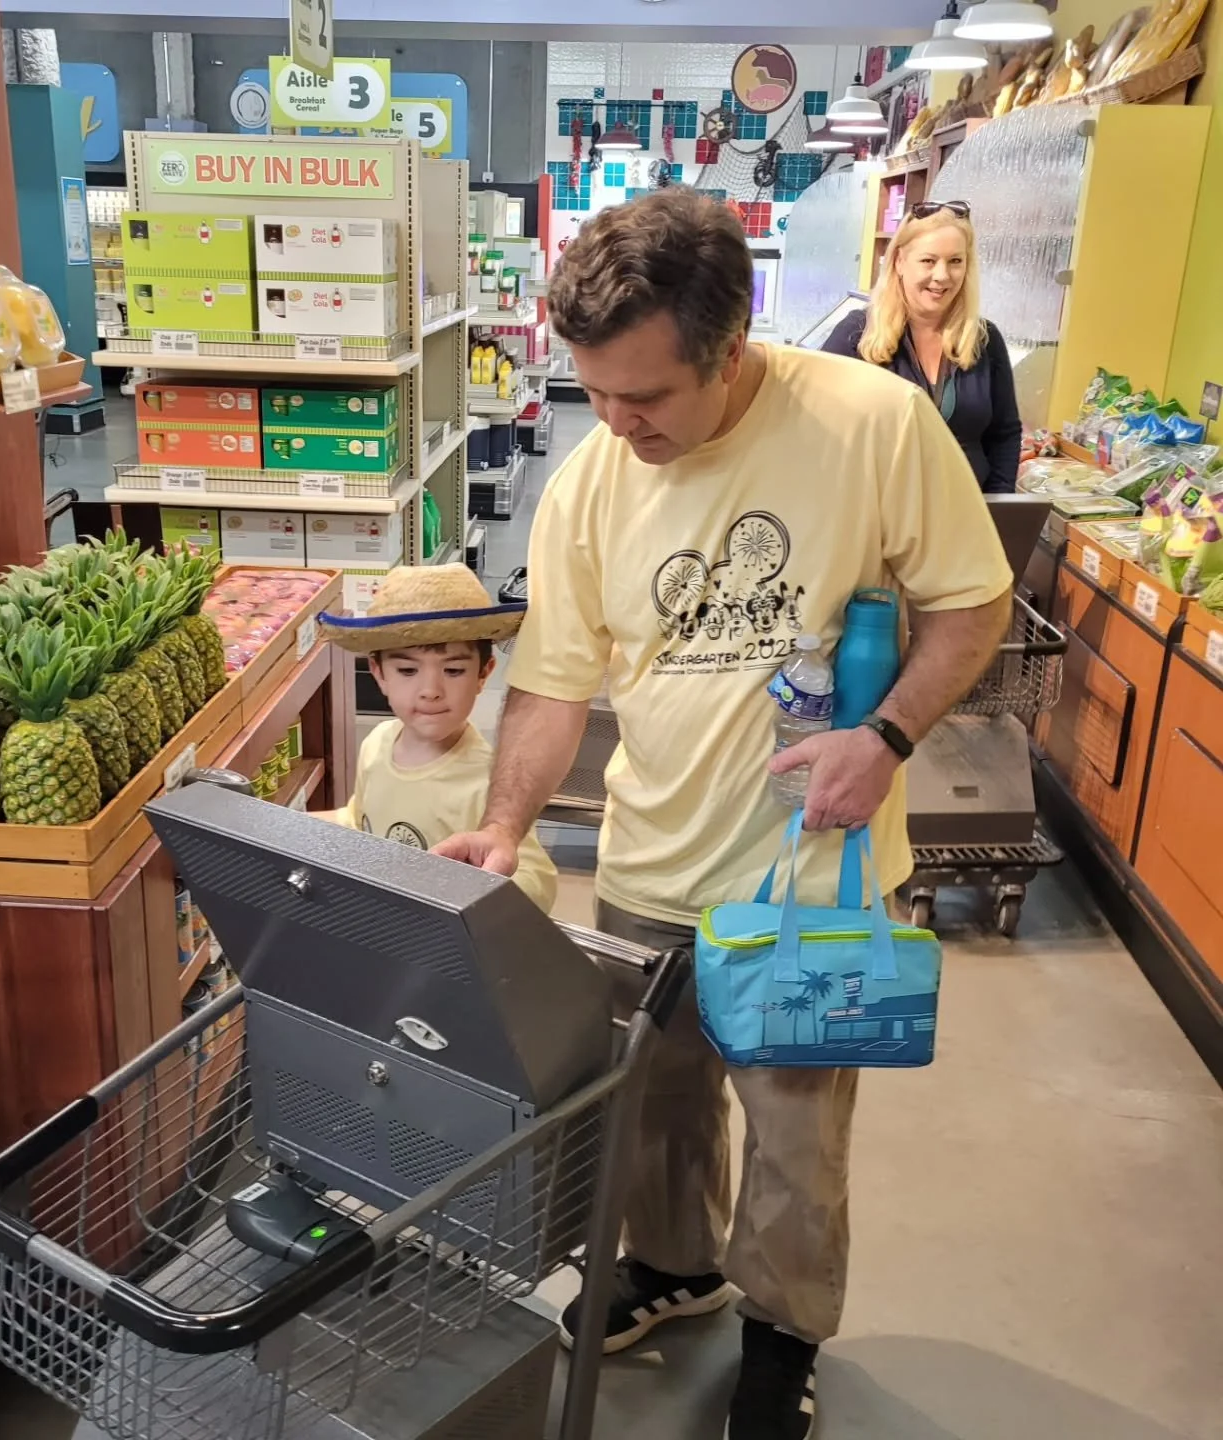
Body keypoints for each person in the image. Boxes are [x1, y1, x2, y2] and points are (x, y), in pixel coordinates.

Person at [434, 189, 1013, 1440]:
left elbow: (973, 603)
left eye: (645, 398)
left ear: (730, 348)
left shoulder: (872, 424)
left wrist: (889, 735)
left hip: (812, 874)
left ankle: (782, 1333)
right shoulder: (594, 480)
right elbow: (551, 680)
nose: (618, 423)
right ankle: (676, 1268)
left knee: (798, 1133)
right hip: (651, 862)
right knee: (654, 1108)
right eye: (595, 392)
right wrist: (504, 825)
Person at [317, 563, 557, 913]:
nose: (431, 691)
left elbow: (537, 882)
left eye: (454, 670)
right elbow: (358, 821)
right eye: (408, 670)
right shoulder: (378, 743)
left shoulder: (490, 780)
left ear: (483, 674)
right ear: (378, 673)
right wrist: (279, 825)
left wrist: (479, 887)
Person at [823, 200, 1022, 493]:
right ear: (899, 262)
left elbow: (1004, 433)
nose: (942, 276)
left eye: (955, 261)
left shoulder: (984, 339)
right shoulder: (857, 335)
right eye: (928, 261)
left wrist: (995, 505)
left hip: (964, 517)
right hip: (878, 521)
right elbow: (816, 424)